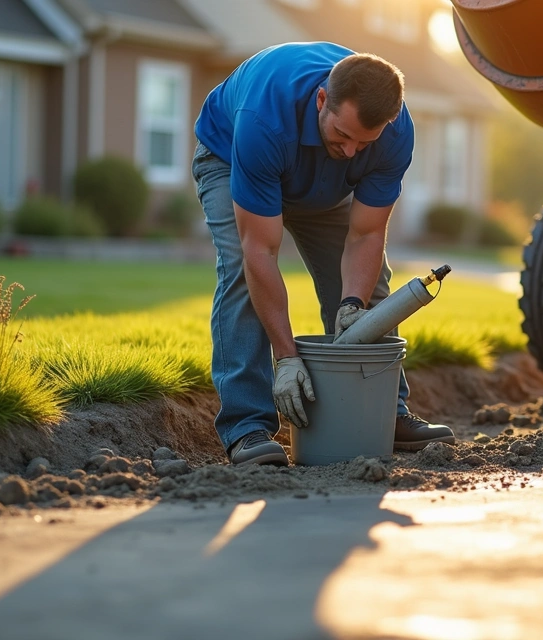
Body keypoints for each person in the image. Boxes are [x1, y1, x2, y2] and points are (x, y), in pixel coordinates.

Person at [192, 42, 456, 466]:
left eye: (364, 143)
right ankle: (247, 427)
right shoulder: (264, 118)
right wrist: (288, 357)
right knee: (243, 274)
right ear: (321, 100)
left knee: (371, 287)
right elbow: (260, 250)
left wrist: (352, 303)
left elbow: (367, 234)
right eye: (344, 135)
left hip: (320, 177)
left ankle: (385, 414)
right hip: (232, 157)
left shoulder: (394, 134)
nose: (351, 151)